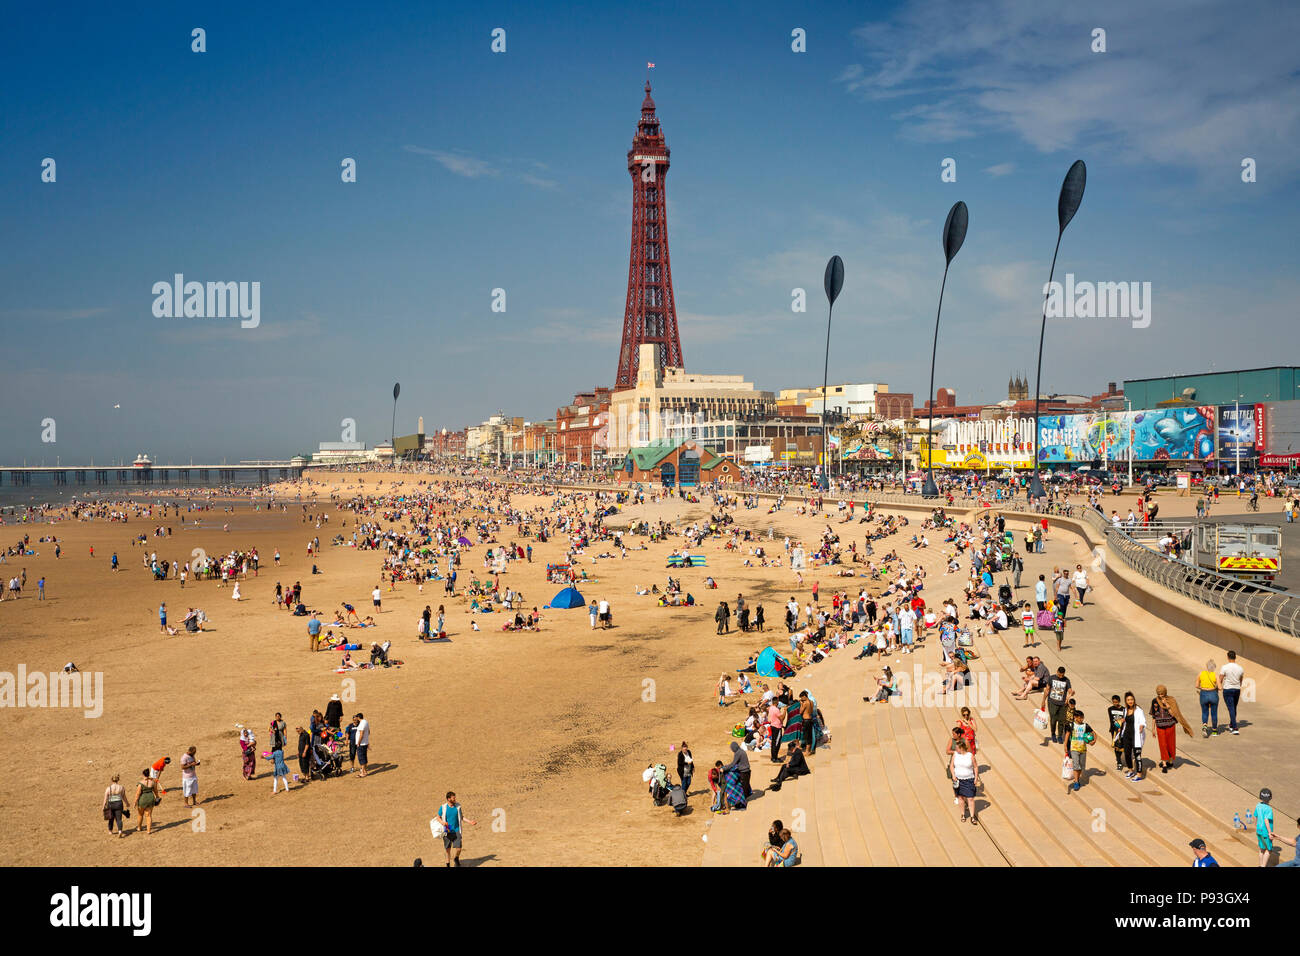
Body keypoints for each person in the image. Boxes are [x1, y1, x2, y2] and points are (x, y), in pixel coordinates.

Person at [1149, 685, 1193, 773]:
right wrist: (1153, 728)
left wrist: (1166, 704)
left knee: (1170, 743)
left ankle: (1170, 760)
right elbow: (1153, 716)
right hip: (1160, 726)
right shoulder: (1154, 701)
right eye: (1159, 694)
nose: (1160, 695)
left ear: (1165, 692)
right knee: (1162, 744)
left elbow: (1174, 714)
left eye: (1162, 693)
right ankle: (1164, 763)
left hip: (1170, 725)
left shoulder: (1171, 700)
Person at [437, 791, 477, 867]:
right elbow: (438, 817)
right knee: (448, 849)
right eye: (453, 798)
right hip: (447, 829)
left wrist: (470, 822)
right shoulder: (443, 807)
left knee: (459, 848)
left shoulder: (458, 806)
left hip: (456, 829)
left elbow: (461, 817)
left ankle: (456, 858)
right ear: (449, 799)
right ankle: (448, 864)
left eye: (455, 797)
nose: (455, 799)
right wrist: (442, 822)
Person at [1064, 708, 1096, 793]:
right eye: (1080, 717)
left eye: (1082, 717)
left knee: (1081, 766)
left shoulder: (1085, 726)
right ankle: (1076, 781)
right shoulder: (1071, 725)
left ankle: (1077, 778)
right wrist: (1065, 745)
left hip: (1083, 749)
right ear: (1075, 717)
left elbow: (1094, 733)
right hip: (1074, 748)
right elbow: (1067, 735)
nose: (1081, 719)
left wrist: (1093, 741)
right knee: (1076, 765)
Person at [950, 738, 979, 825]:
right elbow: (951, 766)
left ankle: (972, 816)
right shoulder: (955, 755)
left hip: (969, 779)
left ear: (961, 748)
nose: (955, 749)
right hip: (959, 780)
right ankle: (963, 814)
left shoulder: (970, 755)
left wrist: (976, 777)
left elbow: (975, 767)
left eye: (957, 747)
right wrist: (953, 775)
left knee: (970, 798)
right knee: (960, 798)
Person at [1120, 691, 1147, 781]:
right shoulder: (1125, 710)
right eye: (1128, 700)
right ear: (1126, 701)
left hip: (1136, 735)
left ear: (1134, 700)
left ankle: (1139, 775)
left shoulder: (1139, 710)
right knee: (1127, 754)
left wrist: (1142, 726)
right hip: (1127, 735)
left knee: (1137, 755)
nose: (1130, 701)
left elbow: (1143, 720)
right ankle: (1131, 770)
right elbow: (1125, 720)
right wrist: (1122, 722)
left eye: (1131, 699)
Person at [1218, 651, 1244, 735]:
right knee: (1234, 707)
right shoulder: (1240, 668)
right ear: (1235, 657)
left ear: (1228, 657)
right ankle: (1231, 724)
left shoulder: (1224, 667)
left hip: (1228, 689)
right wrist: (1238, 686)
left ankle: (1235, 728)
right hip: (1237, 689)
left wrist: (1217, 687)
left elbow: (1220, 679)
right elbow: (1241, 680)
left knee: (1231, 708)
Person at [1195, 660, 1220, 737]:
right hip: (1213, 694)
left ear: (1207, 666)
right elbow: (1220, 687)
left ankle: (1205, 727)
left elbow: (1196, 686)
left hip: (1203, 694)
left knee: (1205, 712)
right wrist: (1214, 687)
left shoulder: (1201, 674)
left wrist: (1202, 687)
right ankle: (1214, 731)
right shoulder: (1215, 675)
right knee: (1214, 713)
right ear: (1214, 668)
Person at [133, 769, 161, 835]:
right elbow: (155, 791)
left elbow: (138, 794)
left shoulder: (141, 783)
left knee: (140, 814)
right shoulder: (152, 782)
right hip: (151, 798)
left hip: (143, 799)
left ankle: (139, 827)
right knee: (148, 815)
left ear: (143, 774)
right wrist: (157, 797)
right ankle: (148, 830)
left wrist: (135, 802)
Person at [1254, 788, 1275, 868]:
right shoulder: (1269, 809)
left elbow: (1255, 816)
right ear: (1270, 798)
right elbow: (1266, 820)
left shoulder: (1258, 805)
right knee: (1269, 850)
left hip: (1259, 830)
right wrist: (1270, 832)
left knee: (1261, 849)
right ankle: (1263, 866)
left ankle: (1261, 864)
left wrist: (1256, 826)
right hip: (1266, 832)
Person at [103, 774, 127, 838]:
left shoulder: (109, 788)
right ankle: (120, 831)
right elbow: (124, 797)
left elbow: (105, 798)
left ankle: (110, 831)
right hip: (119, 804)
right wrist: (127, 803)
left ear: (112, 780)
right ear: (118, 780)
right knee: (119, 819)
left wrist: (103, 806)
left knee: (111, 818)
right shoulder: (121, 787)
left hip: (111, 804)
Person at [354, 712, 371, 777]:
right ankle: (365, 771)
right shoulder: (366, 722)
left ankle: (363, 773)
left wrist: (358, 742)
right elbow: (368, 732)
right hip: (365, 743)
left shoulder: (361, 724)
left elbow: (361, 734)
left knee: (361, 758)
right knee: (364, 757)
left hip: (361, 744)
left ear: (358, 717)